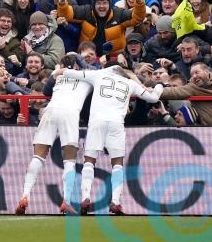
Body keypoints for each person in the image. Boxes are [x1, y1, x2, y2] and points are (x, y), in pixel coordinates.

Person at [59, 65, 162, 215]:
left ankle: (85, 197)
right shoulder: (130, 83)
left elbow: (69, 73)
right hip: (116, 123)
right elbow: (153, 98)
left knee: (89, 161)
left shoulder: (98, 75)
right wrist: (159, 85)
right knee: (117, 164)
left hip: (97, 121)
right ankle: (115, 202)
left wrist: (58, 71)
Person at [16, 54, 92, 215]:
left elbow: (45, 90)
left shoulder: (57, 76)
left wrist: (57, 72)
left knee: (37, 157)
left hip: (50, 111)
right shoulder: (87, 76)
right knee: (69, 160)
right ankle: (66, 201)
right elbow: (92, 69)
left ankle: (25, 195)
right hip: (70, 113)